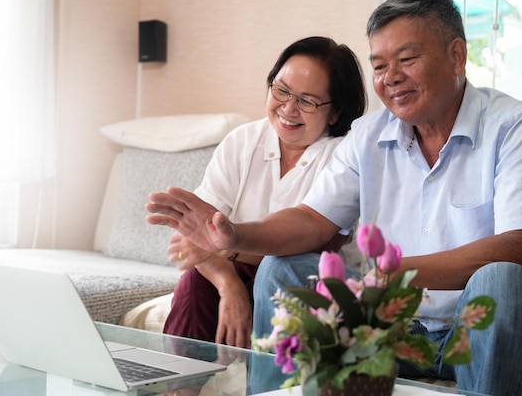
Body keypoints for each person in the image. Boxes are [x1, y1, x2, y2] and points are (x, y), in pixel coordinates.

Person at [146, 0, 522, 396]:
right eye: (380, 66)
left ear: (456, 55)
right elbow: (312, 220)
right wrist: (234, 235)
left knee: (501, 279)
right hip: (390, 329)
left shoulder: (516, 125)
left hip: (483, 325)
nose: (391, 78)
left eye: (407, 59)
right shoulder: (367, 135)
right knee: (283, 269)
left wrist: (395, 275)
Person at [148, 36, 366, 349]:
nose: (288, 108)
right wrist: (228, 285)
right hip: (241, 275)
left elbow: (313, 250)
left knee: (277, 272)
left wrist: (224, 247)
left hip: (309, 284)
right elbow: (190, 244)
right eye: (281, 90)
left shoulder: (344, 155)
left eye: (307, 101)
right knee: (195, 282)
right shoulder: (242, 141)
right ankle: (178, 386)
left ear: (335, 112)